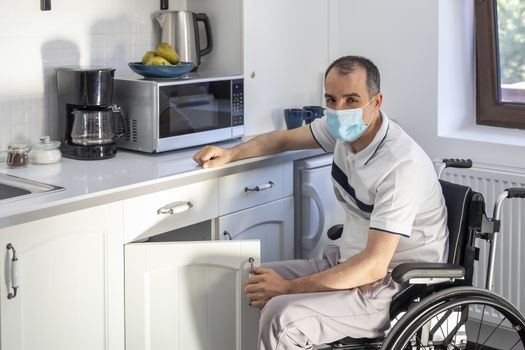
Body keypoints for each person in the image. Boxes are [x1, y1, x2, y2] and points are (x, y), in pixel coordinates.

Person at [192, 56, 448, 350]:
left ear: (376, 102)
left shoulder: (400, 165)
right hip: (347, 263)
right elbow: (282, 140)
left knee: (281, 316)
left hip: (393, 287)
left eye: (352, 99)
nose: (339, 110)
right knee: (248, 282)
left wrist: (287, 289)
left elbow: (375, 266)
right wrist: (231, 154)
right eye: (331, 99)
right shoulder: (343, 129)